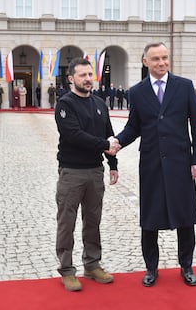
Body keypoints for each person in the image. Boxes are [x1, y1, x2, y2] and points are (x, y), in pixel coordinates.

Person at [114, 42, 196, 287]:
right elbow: (134, 127)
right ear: (146, 62)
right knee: (150, 218)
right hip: (152, 163)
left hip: (180, 162)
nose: (161, 62)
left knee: (185, 218)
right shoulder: (137, 92)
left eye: (165, 57)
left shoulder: (184, 87)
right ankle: (151, 268)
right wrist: (117, 142)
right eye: (155, 59)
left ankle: (186, 265)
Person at [54, 57, 119, 292]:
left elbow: (109, 133)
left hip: (94, 171)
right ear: (71, 79)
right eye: (83, 75)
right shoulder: (65, 104)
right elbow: (74, 135)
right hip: (72, 171)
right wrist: (105, 144)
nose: (88, 79)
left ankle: (92, 264)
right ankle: (67, 270)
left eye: (90, 75)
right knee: (66, 222)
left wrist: (113, 163)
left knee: (93, 221)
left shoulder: (100, 103)